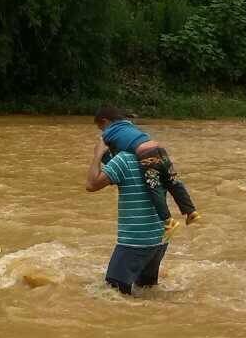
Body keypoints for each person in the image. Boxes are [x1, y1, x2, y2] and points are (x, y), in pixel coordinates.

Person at [94, 105, 200, 240]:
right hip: (160, 150)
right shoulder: (129, 125)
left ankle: (168, 221)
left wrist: (100, 155)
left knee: (153, 187)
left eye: (100, 127)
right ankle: (191, 212)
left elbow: (112, 160)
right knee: (173, 182)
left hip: (147, 155)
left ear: (105, 121)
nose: (101, 130)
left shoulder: (107, 135)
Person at [85, 137, 168, 296]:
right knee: (147, 292)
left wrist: (97, 155)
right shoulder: (155, 156)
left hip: (135, 241)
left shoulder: (123, 160)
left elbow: (91, 184)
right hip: (159, 239)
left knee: (112, 295)